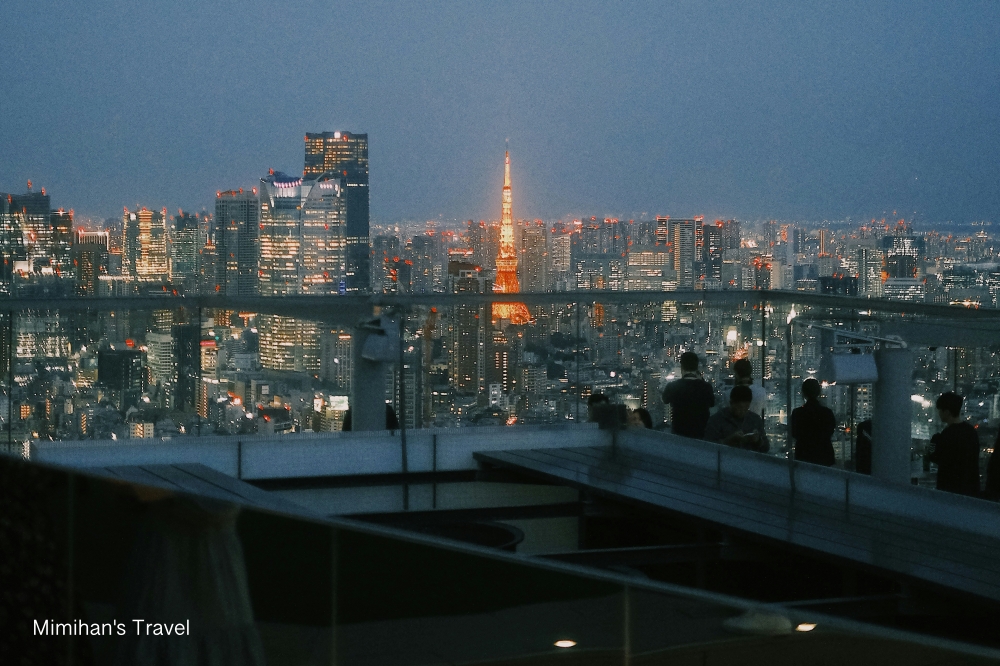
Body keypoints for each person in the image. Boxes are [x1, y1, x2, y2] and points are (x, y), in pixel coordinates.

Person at [926, 392, 980, 497]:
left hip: (949, 489)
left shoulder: (946, 435)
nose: (939, 413)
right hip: (970, 489)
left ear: (947, 412)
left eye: (940, 410)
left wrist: (934, 442)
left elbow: (936, 457)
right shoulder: (971, 432)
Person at [661, 351, 715, 439]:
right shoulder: (706, 387)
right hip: (700, 432)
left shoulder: (673, 386)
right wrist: (702, 380)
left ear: (682, 367)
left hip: (679, 431)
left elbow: (665, 399)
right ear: (697, 367)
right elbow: (712, 403)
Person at [704, 385, 769, 452]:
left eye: (746, 407)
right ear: (731, 403)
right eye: (739, 407)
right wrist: (728, 441)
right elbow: (707, 447)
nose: (743, 411)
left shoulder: (755, 420)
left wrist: (758, 441)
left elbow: (766, 448)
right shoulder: (716, 420)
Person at [790, 379, 836, 466]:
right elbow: (830, 431)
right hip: (824, 455)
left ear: (803, 393)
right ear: (819, 392)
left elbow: (794, 433)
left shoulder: (797, 413)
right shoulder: (827, 412)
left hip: (803, 455)